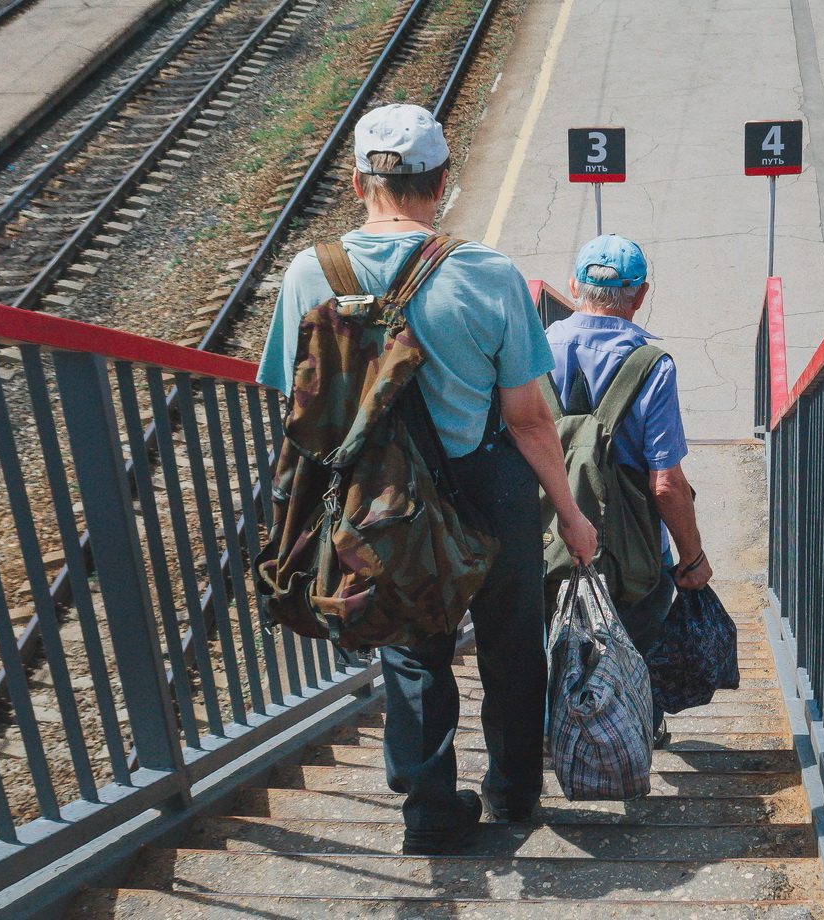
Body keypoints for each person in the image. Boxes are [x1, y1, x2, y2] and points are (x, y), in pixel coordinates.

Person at [257, 104, 597, 853]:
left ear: (355, 182)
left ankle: (430, 810)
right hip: (486, 482)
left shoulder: (309, 273)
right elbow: (530, 419)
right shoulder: (488, 273)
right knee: (512, 642)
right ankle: (512, 794)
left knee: (411, 643)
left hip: (376, 497)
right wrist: (570, 513)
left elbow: (300, 404)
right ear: (440, 183)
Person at [544, 234, 713, 748]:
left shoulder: (531, 350)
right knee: (633, 640)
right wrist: (691, 557)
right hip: (632, 555)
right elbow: (666, 483)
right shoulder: (652, 366)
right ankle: (629, 734)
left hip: (545, 543)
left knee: (551, 639)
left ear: (574, 286)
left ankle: (560, 735)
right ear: (639, 296)